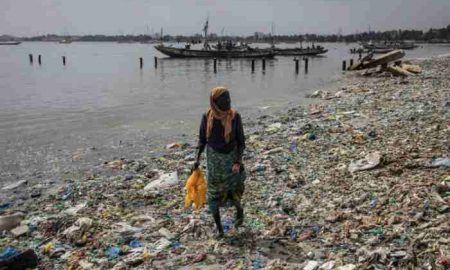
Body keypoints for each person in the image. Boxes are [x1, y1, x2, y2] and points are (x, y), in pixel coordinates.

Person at [194, 86, 246, 238]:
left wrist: (238, 161)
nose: (229, 102)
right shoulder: (207, 117)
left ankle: (239, 211)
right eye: (225, 99)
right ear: (215, 102)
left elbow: (241, 142)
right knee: (213, 195)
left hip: (231, 162)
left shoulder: (235, 117)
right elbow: (202, 140)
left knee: (233, 190)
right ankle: (220, 229)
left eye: (229, 98)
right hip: (214, 164)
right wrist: (196, 159)